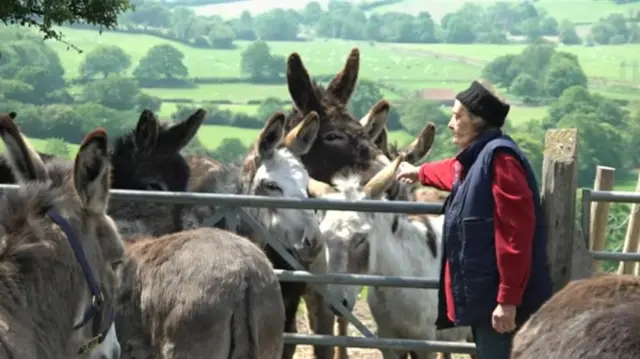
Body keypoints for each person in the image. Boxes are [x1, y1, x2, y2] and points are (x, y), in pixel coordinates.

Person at [396, 80, 552, 359]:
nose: (451, 124)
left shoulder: (502, 160)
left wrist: (507, 300)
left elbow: (515, 234)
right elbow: (453, 171)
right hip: (488, 300)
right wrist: (420, 173)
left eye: (458, 116)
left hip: (501, 305)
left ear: (478, 122)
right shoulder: (480, 157)